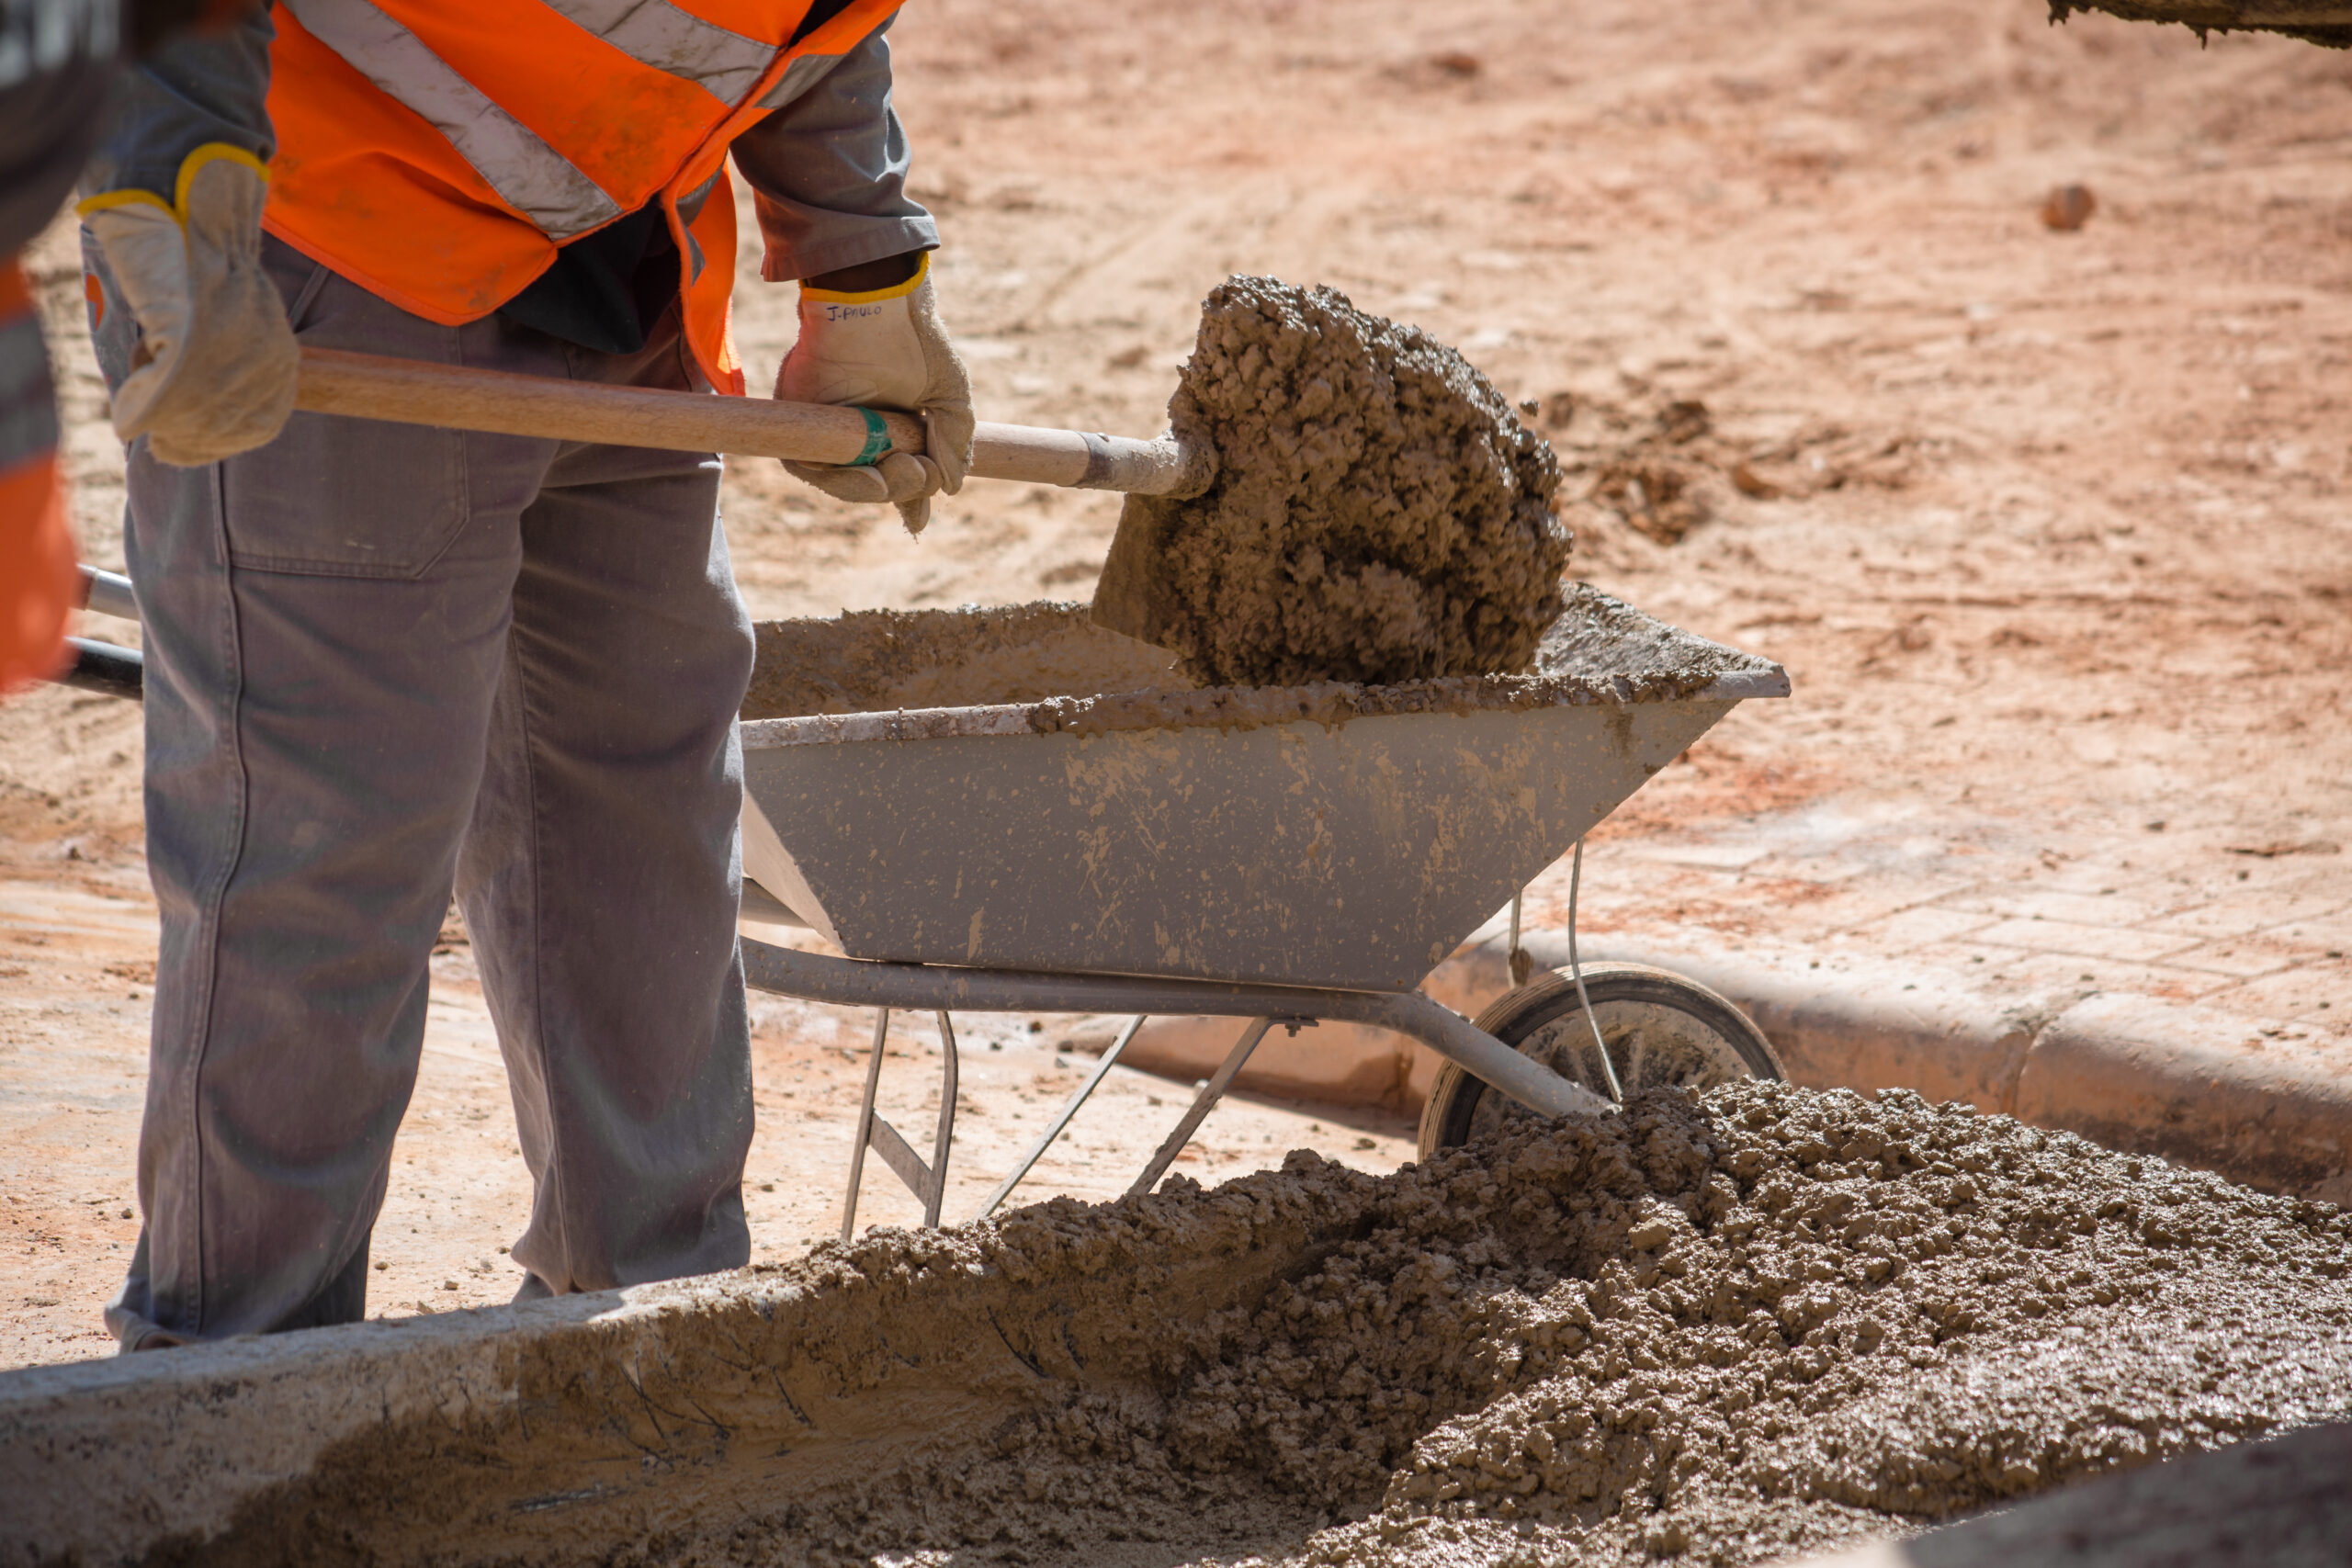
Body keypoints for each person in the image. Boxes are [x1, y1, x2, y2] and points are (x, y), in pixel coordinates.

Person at [81, 0, 972, 1348]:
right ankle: (235, 1390)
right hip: (331, 239)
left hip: (628, 262)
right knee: (326, 844)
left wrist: (864, 263)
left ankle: (648, 1340)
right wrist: (167, 179)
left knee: (640, 815)